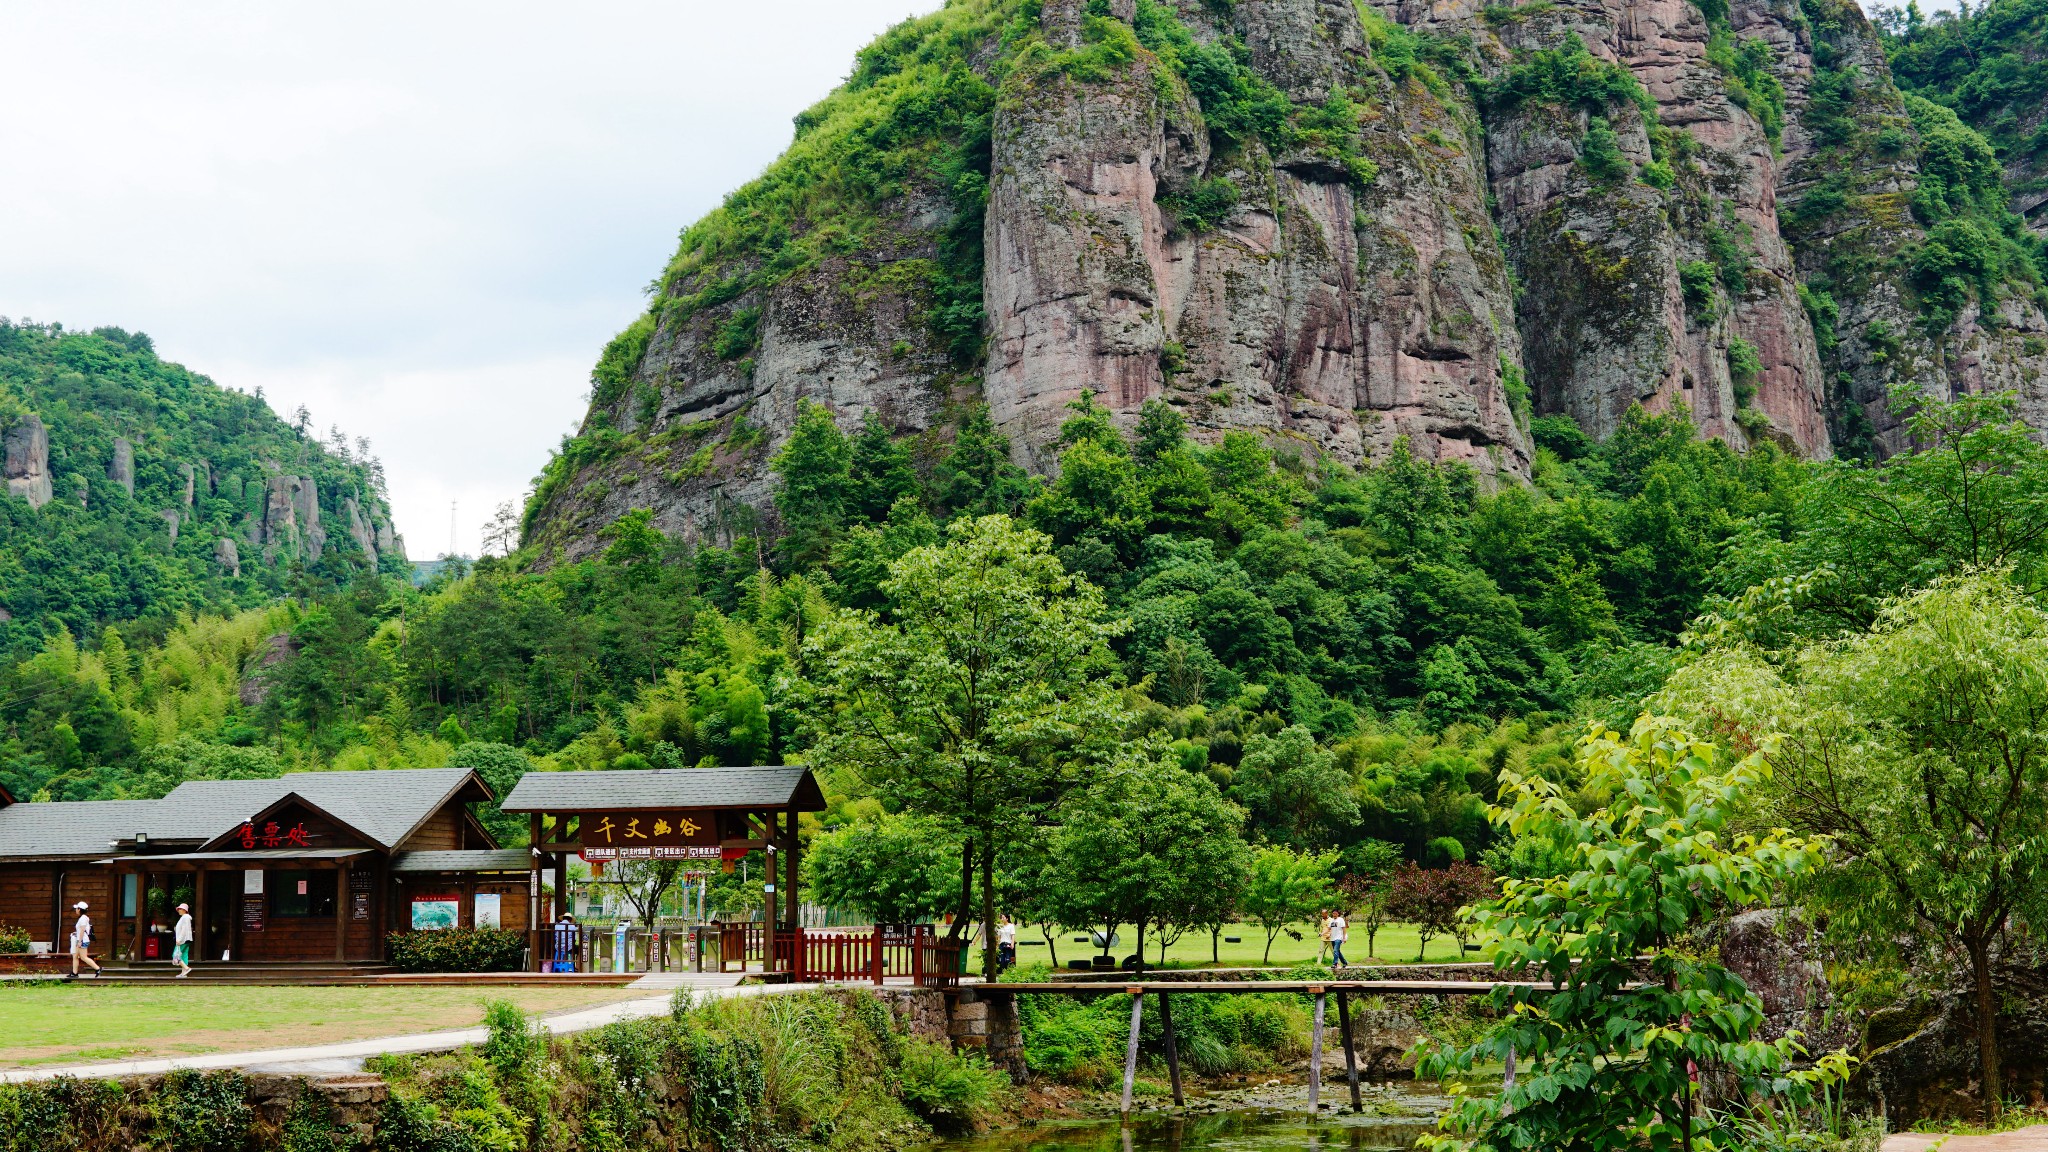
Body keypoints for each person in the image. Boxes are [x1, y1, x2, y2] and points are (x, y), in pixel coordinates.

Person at [69, 901, 100, 979]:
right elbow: (82, 930)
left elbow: (82, 930)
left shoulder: (83, 919)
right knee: (75, 956)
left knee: (83, 957)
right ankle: (74, 973)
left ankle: (98, 969)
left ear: (79, 909)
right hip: (81, 939)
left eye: (76, 909)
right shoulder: (84, 918)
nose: (75, 910)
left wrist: (79, 941)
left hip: (82, 940)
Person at [173, 902, 194, 977]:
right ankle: (183, 973)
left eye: (180, 909)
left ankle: (186, 968)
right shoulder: (185, 918)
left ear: (185, 910)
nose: (179, 910)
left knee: (176, 955)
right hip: (186, 939)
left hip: (183, 940)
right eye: (178, 909)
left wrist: (179, 939)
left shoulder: (185, 917)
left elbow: (184, 930)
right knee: (183, 955)